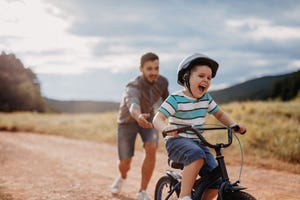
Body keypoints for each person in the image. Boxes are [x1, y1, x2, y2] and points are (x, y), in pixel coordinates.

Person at [153, 53, 246, 200]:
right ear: (186, 78)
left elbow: (220, 115)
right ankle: (185, 195)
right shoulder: (176, 99)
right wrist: (165, 128)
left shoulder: (206, 99)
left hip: (198, 142)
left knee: (217, 179)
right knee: (196, 155)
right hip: (177, 141)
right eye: (201, 76)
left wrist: (233, 125)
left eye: (209, 78)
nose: (206, 80)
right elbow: (158, 118)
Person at [110, 52, 169, 200]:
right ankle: (122, 176)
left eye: (156, 68)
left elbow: (168, 102)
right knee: (125, 163)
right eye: (149, 69)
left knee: (151, 147)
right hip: (127, 122)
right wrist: (137, 116)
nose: (154, 72)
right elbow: (133, 104)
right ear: (141, 69)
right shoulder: (132, 86)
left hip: (148, 119)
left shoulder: (162, 82)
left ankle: (142, 191)